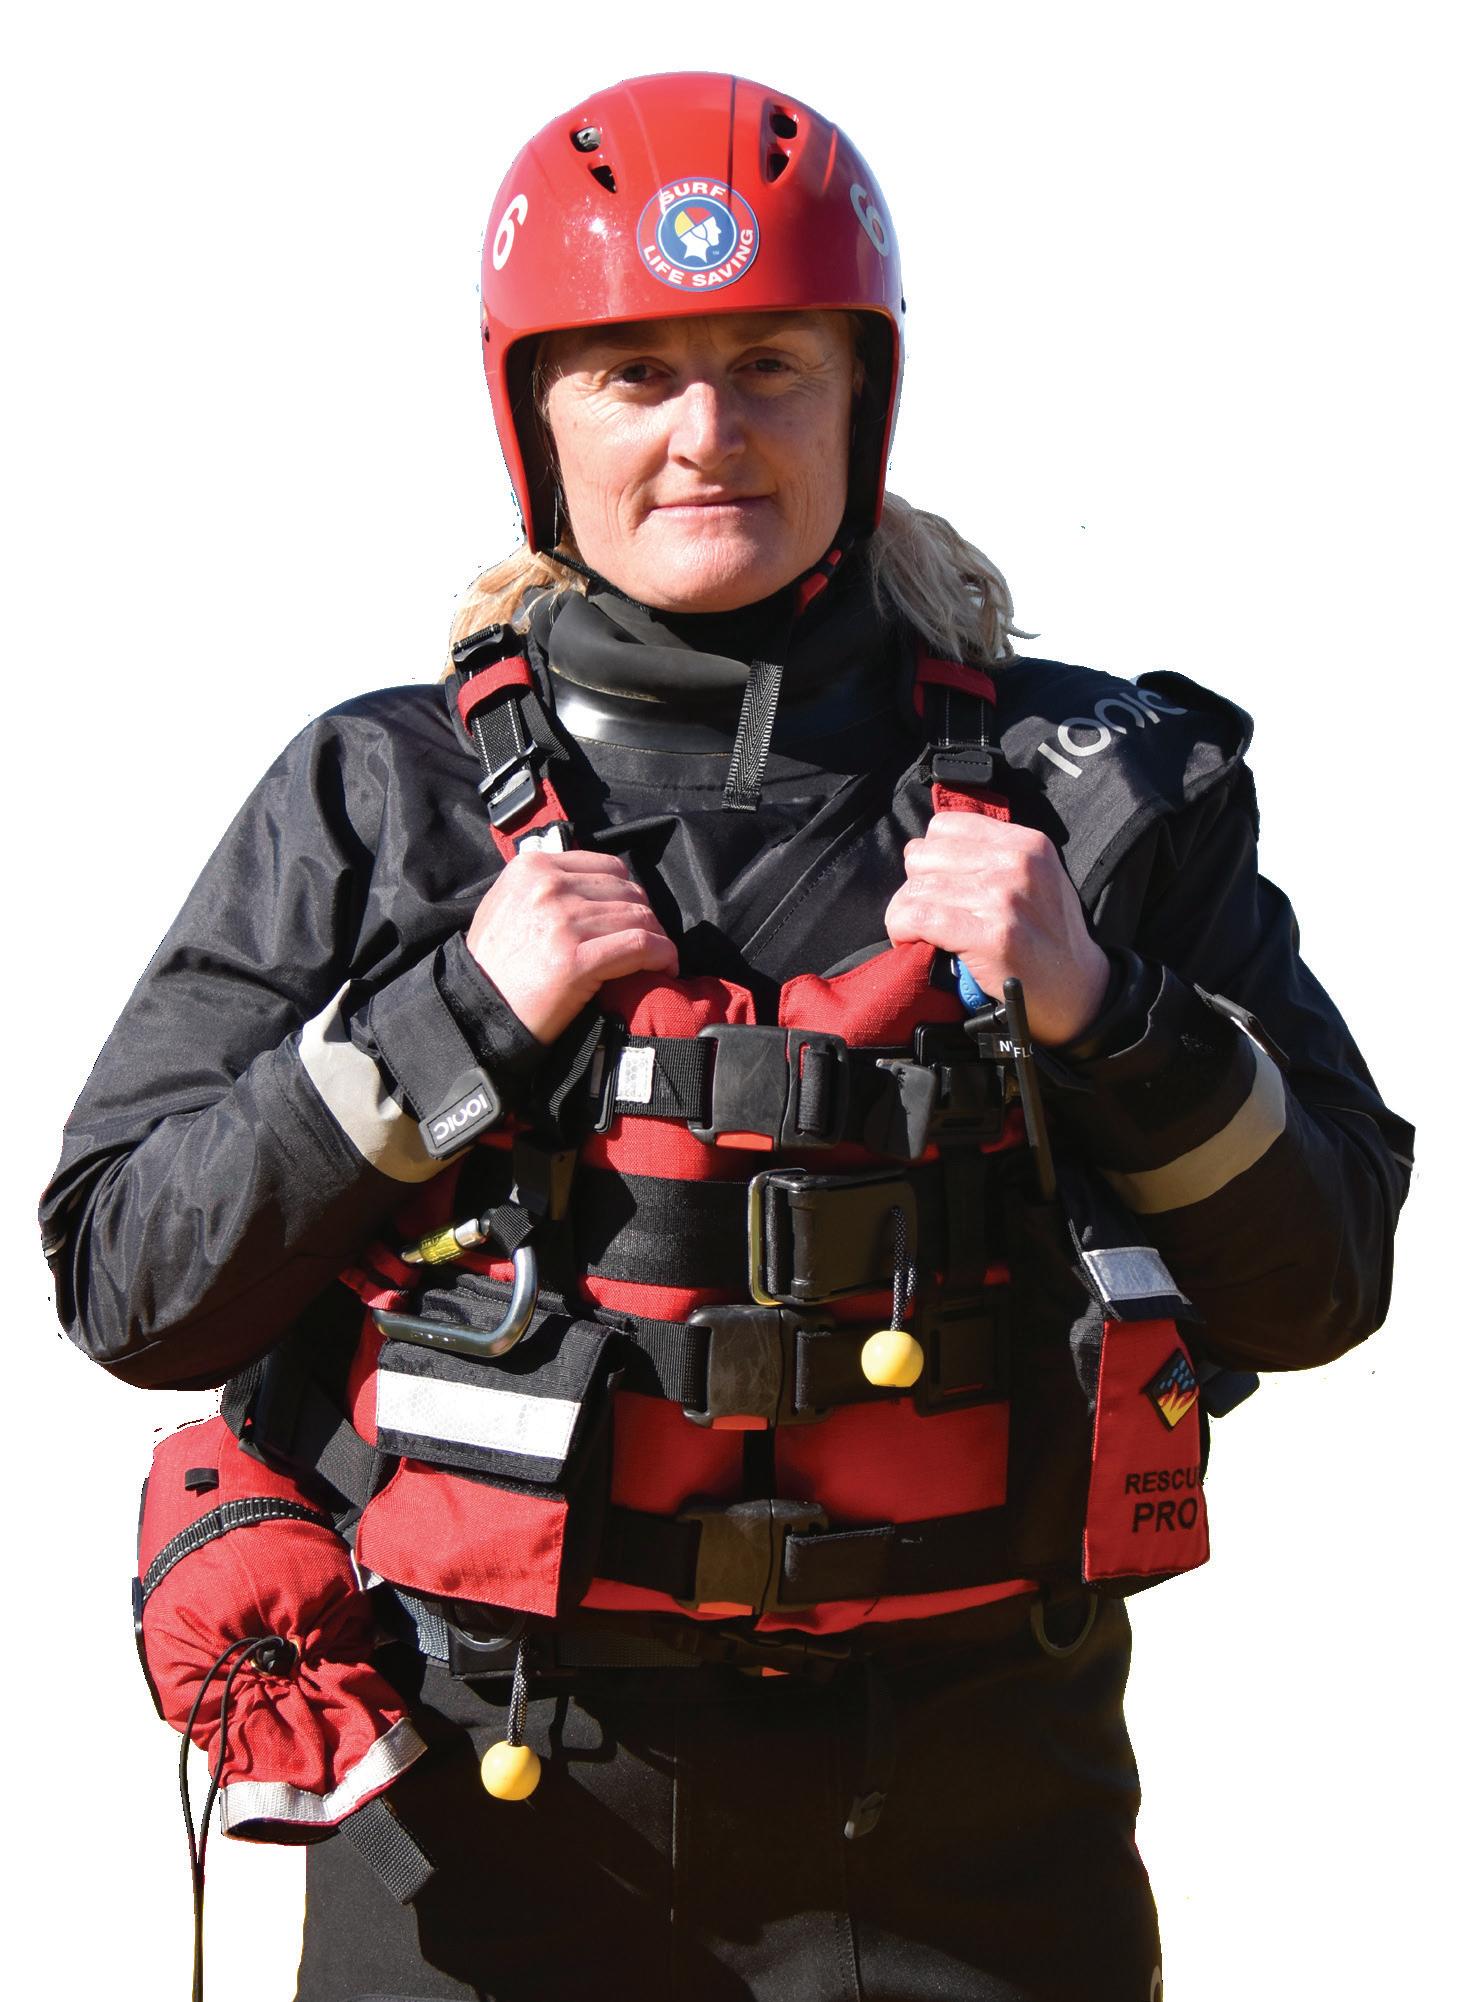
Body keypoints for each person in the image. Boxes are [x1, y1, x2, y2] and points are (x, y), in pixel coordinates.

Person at [41, 69, 1411, 2002]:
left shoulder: (1095, 798)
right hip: (494, 1824)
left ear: (865, 395)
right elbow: (127, 1281)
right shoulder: (378, 792)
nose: (709, 433)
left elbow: (1325, 1278)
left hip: (975, 1825)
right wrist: (447, 1018)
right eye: (636, 374)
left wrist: (1107, 1012)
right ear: (535, 414)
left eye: (771, 363)